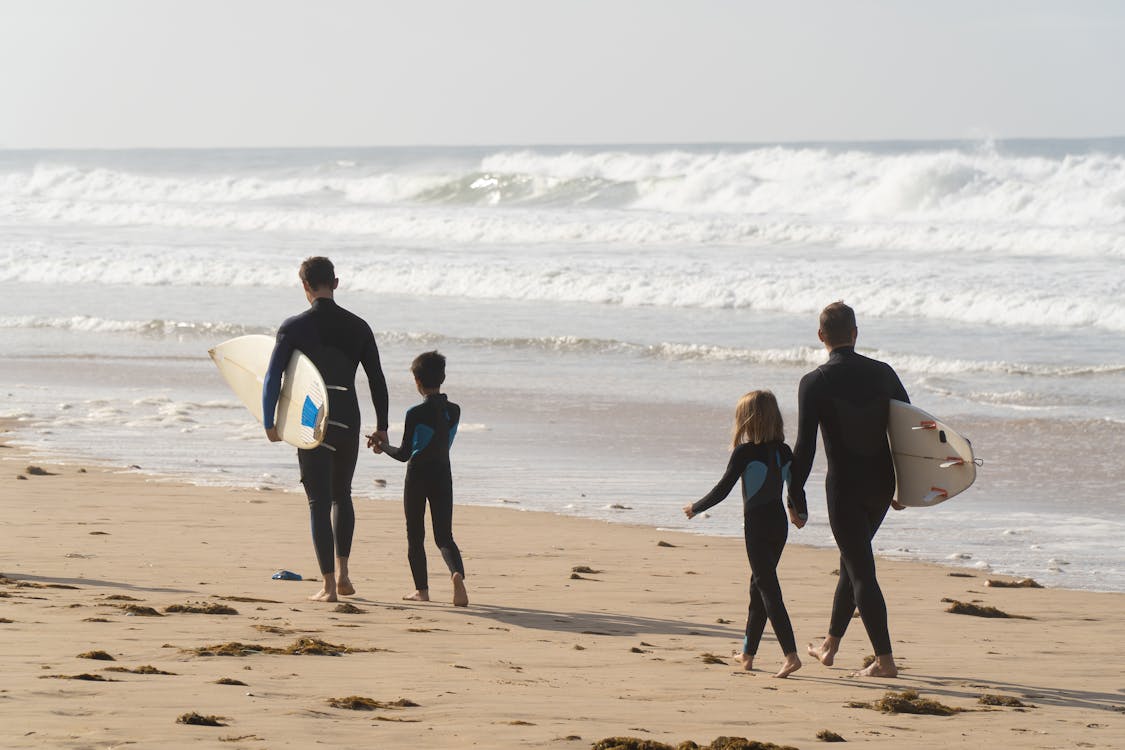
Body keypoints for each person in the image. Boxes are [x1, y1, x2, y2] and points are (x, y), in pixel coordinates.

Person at [787, 301, 908, 677]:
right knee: (852, 560)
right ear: (855, 334)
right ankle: (830, 644)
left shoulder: (814, 382)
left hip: (845, 488)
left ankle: (885, 662)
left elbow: (805, 447)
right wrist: (908, 486)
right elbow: (909, 432)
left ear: (821, 336)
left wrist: (795, 497)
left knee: (860, 570)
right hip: (882, 484)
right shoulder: (884, 374)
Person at [263, 256, 389, 603]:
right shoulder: (359, 326)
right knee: (341, 494)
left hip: (311, 415)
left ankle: (329, 586)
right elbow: (376, 379)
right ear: (336, 282)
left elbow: (274, 376)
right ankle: (346, 574)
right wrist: (383, 426)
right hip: (349, 413)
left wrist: (269, 420)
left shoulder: (293, 327)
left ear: (304, 285)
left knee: (318, 501)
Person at [683, 390, 802, 679]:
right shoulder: (784, 451)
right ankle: (747, 654)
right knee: (758, 588)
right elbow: (795, 489)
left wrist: (695, 508)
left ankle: (791, 655)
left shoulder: (745, 453)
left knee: (768, 589)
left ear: (746, 420)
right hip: (779, 526)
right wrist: (799, 512)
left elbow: (723, 489)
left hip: (757, 527)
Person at [373, 350, 468, 607]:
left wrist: (383, 446)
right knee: (444, 536)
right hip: (442, 475)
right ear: (444, 377)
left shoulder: (415, 413)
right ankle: (456, 574)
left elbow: (404, 454)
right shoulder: (455, 410)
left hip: (417, 476)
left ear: (417, 381)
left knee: (415, 535)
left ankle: (422, 591)